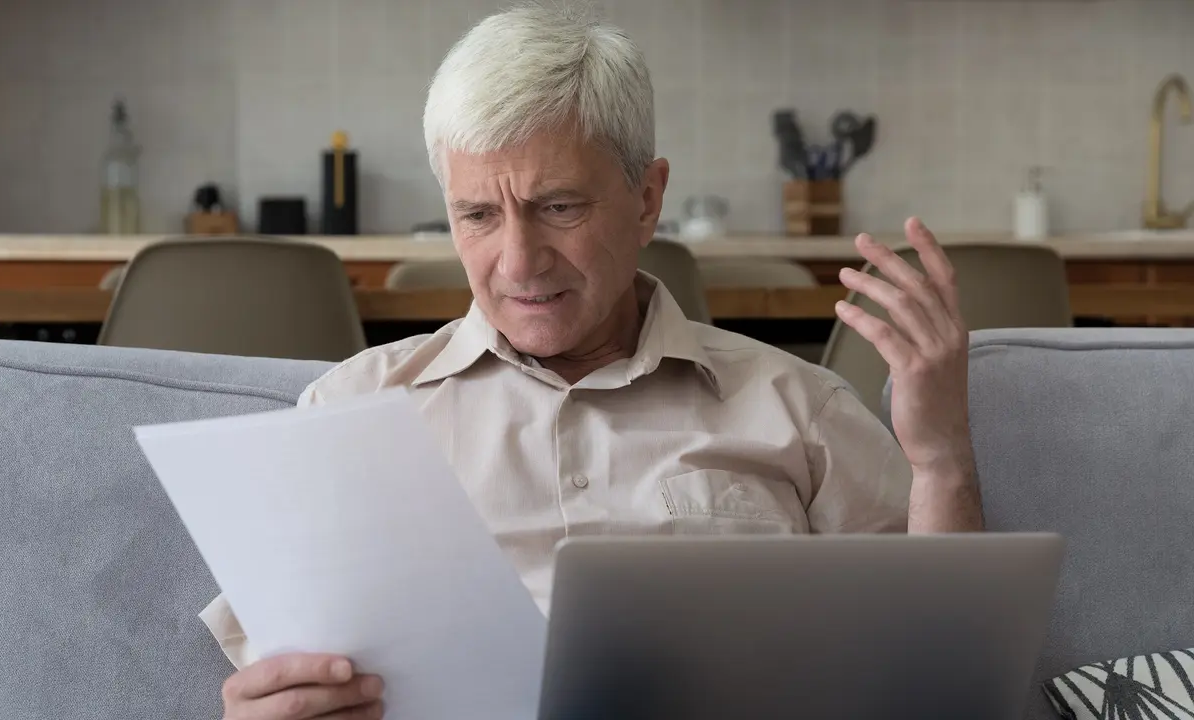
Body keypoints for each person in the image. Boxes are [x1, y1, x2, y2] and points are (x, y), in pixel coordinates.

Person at [213, 5, 983, 719]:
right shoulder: (350, 413)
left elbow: (943, 681)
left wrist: (942, 456)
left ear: (647, 199)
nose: (518, 262)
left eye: (559, 207)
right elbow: (266, 686)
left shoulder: (796, 407)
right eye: (479, 215)